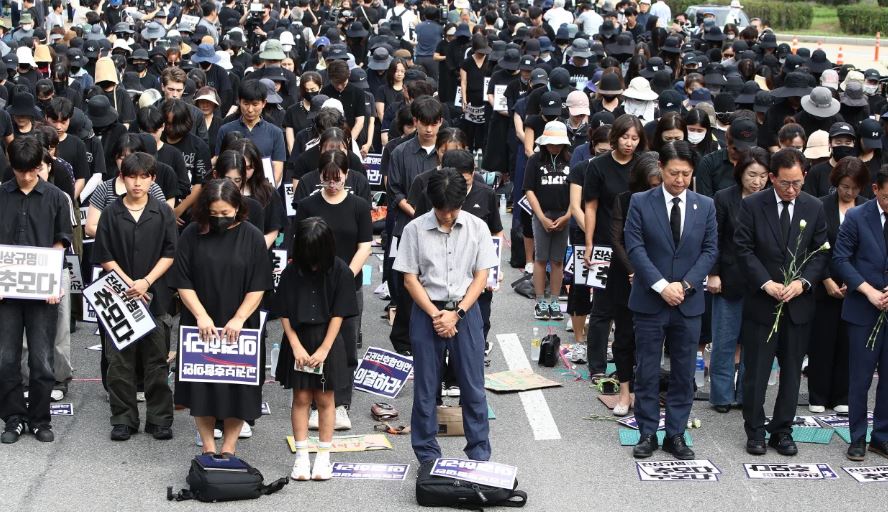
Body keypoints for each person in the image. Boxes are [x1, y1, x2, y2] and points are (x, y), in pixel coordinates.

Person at [393, 168, 498, 463]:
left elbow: (481, 276)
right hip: (427, 310)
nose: (447, 216)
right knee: (426, 388)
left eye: (453, 209)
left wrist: (457, 313)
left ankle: (479, 453)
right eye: (442, 210)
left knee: (473, 386)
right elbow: (410, 279)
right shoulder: (414, 229)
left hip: (467, 311)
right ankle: (427, 455)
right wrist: (437, 315)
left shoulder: (478, 227)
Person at [623, 141, 718, 459]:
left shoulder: (705, 205)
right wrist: (662, 286)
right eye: (674, 173)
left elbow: (710, 250)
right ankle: (647, 432)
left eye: (686, 174)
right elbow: (635, 248)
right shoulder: (640, 202)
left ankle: (676, 434)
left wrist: (686, 285)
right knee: (647, 369)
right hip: (650, 300)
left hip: (688, 302)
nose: (680, 180)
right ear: (661, 168)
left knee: (683, 371)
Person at [735, 148, 829, 456]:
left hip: (798, 305)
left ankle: (782, 430)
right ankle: (755, 429)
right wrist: (766, 283)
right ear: (772, 178)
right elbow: (743, 249)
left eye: (797, 183)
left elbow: (820, 252)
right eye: (785, 183)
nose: (791, 190)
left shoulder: (814, 206)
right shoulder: (752, 205)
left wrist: (802, 283)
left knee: (791, 373)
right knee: (757, 372)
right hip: (762, 303)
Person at [168, 179, 273, 456]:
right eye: (213, 214)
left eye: (225, 213)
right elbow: (182, 280)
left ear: (238, 208)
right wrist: (200, 315)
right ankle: (207, 446)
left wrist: (239, 317)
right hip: (199, 320)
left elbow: (259, 285)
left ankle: (229, 448)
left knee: (238, 388)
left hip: (240, 323)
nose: (219, 219)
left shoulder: (252, 236)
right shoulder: (192, 234)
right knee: (201, 387)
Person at [92, 152, 177, 441]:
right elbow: (104, 255)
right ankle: (123, 419)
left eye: (144, 177)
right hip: (118, 296)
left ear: (153, 179)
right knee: (119, 362)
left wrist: (146, 282)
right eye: (131, 176)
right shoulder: (111, 212)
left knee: (157, 360)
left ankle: (159, 419)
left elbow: (170, 253)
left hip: (156, 296)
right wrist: (130, 283)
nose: (137, 183)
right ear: (122, 177)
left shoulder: (163, 212)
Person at [293, 150, 372, 430]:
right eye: (327, 179)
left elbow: (365, 245)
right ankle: (316, 403)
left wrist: (345, 275)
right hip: (313, 287)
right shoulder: (308, 205)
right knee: (314, 342)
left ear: (347, 175)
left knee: (346, 345)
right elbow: (298, 246)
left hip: (349, 283)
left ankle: (341, 404)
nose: (332, 184)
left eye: (337, 179)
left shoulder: (359, 205)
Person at [0, 137, 72, 444]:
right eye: (21, 171)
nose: (27, 176)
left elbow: (61, 241)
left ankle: (41, 419)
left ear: (41, 166)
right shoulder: (2, 195)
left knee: (42, 360)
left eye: (33, 170)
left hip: (43, 291)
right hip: (7, 292)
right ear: (11, 165)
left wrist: (52, 280)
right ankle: (14, 418)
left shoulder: (56, 197)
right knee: (6, 359)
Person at [275, 217, 358, 480]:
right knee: (300, 398)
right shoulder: (291, 271)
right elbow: (284, 311)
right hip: (298, 338)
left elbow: (339, 313)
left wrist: (324, 348)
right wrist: (295, 345)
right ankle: (301, 458)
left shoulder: (340, 270)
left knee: (325, 399)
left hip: (328, 339)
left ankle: (323, 457)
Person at [707, 147, 770, 413]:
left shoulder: (770, 200)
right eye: (752, 175)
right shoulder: (724, 198)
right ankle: (721, 396)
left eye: (763, 176)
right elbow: (715, 238)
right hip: (728, 278)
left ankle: (747, 393)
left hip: (761, 282)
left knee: (753, 344)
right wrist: (713, 273)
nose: (757, 182)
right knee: (724, 341)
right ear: (740, 172)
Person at [583, 115, 646, 379]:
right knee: (601, 308)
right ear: (614, 137)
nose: (629, 143)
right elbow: (591, 206)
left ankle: (626, 366)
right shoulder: (598, 165)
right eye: (625, 137)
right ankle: (596, 367)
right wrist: (589, 242)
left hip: (634, 245)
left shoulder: (642, 165)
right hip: (603, 243)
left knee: (629, 309)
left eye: (635, 138)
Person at [833, 165, 888, 461]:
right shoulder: (856, 216)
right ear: (876, 190)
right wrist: (869, 291)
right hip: (862, 308)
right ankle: (857, 437)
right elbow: (841, 259)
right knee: (860, 378)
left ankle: (882, 436)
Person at [808, 157, 868, 415]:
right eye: (845, 186)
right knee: (822, 341)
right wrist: (827, 280)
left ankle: (842, 394)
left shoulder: (866, 207)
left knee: (849, 343)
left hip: (857, 286)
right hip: (825, 285)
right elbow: (815, 246)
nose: (849, 192)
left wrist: (855, 282)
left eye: (855, 188)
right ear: (836, 184)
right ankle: (818, 394)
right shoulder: (821, 206)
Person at [608, 151, 662, 416]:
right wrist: (634, 270)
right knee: (624, 335)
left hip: (657, 276)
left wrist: (649, 273)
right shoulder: (625, 199)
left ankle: (643, 390)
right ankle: (624, 391)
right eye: (652, 185)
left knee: (650, 338)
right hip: (625, 275)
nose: (657, 190)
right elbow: (617, 239)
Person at [524, 121, 572, 321]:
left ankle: (554, 300)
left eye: (559, 144)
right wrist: (541, 217)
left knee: (558, 260)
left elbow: (576, 191)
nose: (555, 147)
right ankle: (540, 301)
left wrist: (567, 216)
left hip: (564, 215)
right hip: (541, 214)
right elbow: (529, 190)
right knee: (541, 258)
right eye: (551, 143)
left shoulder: (571, 160)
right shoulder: (535, 160)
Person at [216, 79, 286, 187]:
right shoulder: (225, 130)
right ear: (239, 102)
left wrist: (268, 191)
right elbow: (220, 163)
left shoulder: (275, 132)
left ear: (264, 103)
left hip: (262, 189)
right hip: (232, 189)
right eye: (246, 104)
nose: (250, 109)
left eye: (255, 104)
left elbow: (277, 166)